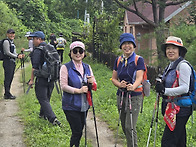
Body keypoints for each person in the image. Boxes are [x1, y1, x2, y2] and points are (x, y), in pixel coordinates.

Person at [155, 36, 192, 147]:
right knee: (180, 142)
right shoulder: (171, 66)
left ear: (179, 51)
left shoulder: (183, 66)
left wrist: (164, 90)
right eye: (168, 48)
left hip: (180, 109)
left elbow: (185, 88)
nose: (170, 51)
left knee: (167, 142)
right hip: (173, 108)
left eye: (173, 48)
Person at [60, 41, 97, 147]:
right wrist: (79, 91)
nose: (78, 53)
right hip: (70, 105)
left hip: (84, 105)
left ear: (84, 53)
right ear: (70, 53)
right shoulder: (65, 67)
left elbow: (94, 85)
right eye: (75, 51)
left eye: (80, 51)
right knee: (77, 132)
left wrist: (92, 82)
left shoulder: (87, 67)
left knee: (79, 130)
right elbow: (63, 86)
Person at [112, 33, 145, 147]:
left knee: (129, 126)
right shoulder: (118, 60)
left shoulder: (138, 59)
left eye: (129, 43)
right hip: (121, 95)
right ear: (121, 46)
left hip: (135, 96)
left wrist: (133, 86)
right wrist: (119, 84)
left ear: (134, 45)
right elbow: (114, 78)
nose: (127, 46)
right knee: (123, 125)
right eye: (124, 44)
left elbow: (140, 77)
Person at [28, 31, 61, 126]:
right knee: (46, 98)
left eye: (34, 39)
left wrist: (31, 80)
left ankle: (53, 119)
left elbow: (34, 67)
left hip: (42, 78)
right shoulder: (50, 47)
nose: (33, 41)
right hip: (52, 78)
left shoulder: (38, 50)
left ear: (39, 39)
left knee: (42, 98)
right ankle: (42, 114)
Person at [3, 29, 24, 99]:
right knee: (8, 78)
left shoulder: (11, 42)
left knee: (10, 77)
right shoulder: (6, 41)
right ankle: (7, 94)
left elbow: (13, 52)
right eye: (10, 34)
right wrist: (17, 56)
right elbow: (7, 52)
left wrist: (18, 55)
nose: (12, 35)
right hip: (8, 62)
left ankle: (7, 92)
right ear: (7, 34)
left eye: (13, 33)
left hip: (12, 62)